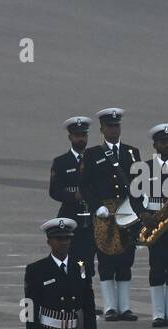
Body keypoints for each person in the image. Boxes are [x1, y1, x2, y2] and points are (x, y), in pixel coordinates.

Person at [80, 108, 142, 322]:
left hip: (126, 212)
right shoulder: (92, 154)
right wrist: (96, 206)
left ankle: (124, 307)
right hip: (105, 213)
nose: (114, 129)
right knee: (106, 259)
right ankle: (109, 307)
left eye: (117, 126)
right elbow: (85, 185)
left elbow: (137, 185)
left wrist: (137, 211)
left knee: (126, 259)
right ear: (102, 129)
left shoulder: (132, 153)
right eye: (110, 126)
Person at [140, 123, 168, 328]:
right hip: (155, 221)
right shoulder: (145, 167)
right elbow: (135, 196)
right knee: (157, 268)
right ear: (155, 144)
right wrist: (144, 215)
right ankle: (158, 314)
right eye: (163, 142)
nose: (167, 145)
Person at [49, 117, 97, 284]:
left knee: (87, 261)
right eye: (77, 135)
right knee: (72, 259)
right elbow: (54, 191)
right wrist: (73, 196)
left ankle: (86, 299)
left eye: (83, 135)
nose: (81, 138)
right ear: (70, 137)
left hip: (91, 219)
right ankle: (72, 299)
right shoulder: (61, 162)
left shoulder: (97, 159)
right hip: (71, 219)